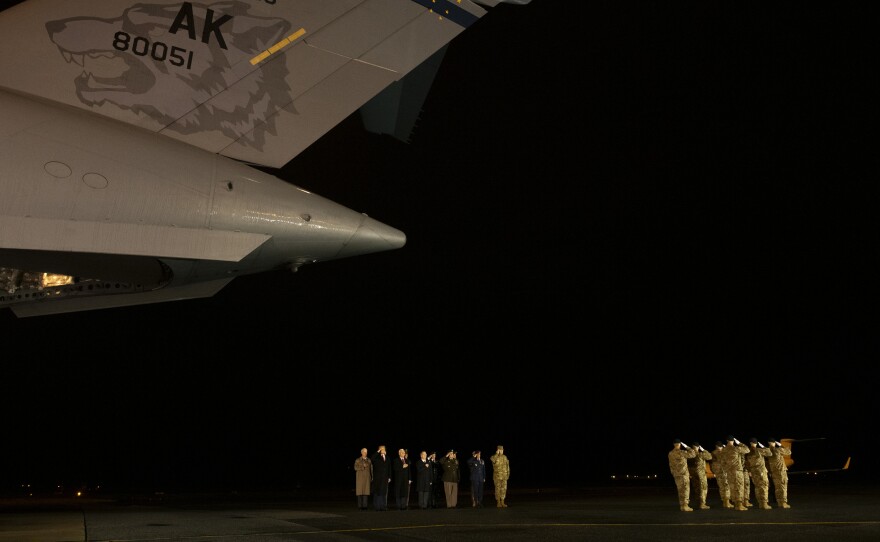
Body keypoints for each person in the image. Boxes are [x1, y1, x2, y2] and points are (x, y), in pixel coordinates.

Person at [715, 436, 750, 511]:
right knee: (739, 487)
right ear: (733, 441)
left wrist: (726, 469)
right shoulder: (736, 448)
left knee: (732, 487)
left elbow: (722, 461)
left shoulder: (723, 450)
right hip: (737, 470)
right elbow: (747, 450)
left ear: (727, 441)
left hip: (728, 471)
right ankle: (739, 505)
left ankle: (735, 504)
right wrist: (740, 443)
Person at [668, 439, 697, 512]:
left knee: (680, 490)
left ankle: (682, 505)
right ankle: (685, 506)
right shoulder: (682, 452)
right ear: (679, 444)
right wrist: (687, 447)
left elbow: (670, 465)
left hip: (676, 474)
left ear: (674, 444)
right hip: (683, 474)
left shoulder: (670, 453)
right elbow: (693, 454)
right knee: (685, 490)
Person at [744, 438, 773, 509]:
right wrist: (763, 446)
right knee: (764, 486)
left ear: (750, 443)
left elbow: (746, 463)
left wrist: (749, 471)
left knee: (757, 487)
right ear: (756, 443)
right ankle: (764, 504)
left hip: (754, 472)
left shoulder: (748, 452)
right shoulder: (759, 450)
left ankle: (760, 503)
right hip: (761, 472)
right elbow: (770, 453)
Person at [766, 438, 792, 508]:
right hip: (781, 471)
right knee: (783, 487)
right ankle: (783, 503)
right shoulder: (778, 450)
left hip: (774, 472)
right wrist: (781, 445)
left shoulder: (768, 451)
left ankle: (779, 502)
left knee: (777, 488)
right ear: (774, 443)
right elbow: (789, 452)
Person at [686, 441, 712, 509]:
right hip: (700, 473)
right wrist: (703, 449)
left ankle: (698, 502)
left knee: (697, 488)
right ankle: (702, 504)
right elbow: (709, 457)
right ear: (698, 447)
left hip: (692, 473)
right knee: (703, 488)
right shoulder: (700, 454)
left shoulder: (689, 455)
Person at [710, 441, 732, 508]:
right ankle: (727, 503)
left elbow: (711, 464)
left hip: (717, 472)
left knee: (721, 487)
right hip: (724, 471)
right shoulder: (724, 452)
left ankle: (724, 502)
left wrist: (713, 472)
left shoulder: (713, 453)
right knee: (726, 486)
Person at [370, 445, 391, 511]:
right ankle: (377, 506)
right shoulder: (377, 457)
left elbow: (389, 468)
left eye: (384, 449)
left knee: (384, 492)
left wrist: (389, 477)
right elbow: (372, 459)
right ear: (379, 450)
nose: (383, 450)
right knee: (377, 492)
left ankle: (383, 506)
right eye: (381, 449)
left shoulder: (387, 457)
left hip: (385, 478)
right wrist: (378, 452)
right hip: (377, 478)